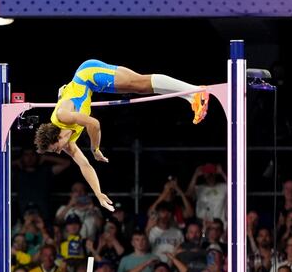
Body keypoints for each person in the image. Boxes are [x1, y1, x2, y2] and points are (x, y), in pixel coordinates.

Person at [34, 59, 209, 211]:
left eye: (56, 149)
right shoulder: (67, 143)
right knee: (141, 89)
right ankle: (190, 96)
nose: (58, 152)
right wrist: (98, 193)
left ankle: (196, 90)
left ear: (57, 136)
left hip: (88, 74)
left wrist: (95, 149)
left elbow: (94, 124)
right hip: (91, 85)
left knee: (139, 82)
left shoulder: (62, 116)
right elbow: (85, 166)